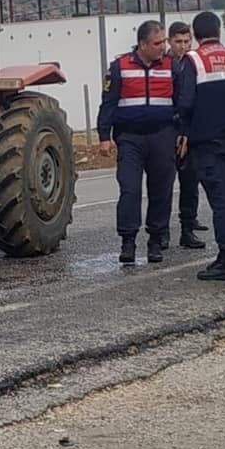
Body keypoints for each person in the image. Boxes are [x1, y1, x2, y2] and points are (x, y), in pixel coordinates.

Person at [176, 11, 225, 281]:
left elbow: (185, 102)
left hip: (208, 144)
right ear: (219, 31)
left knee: (221, 203)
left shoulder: (193, 60)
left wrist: (183, 130)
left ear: (195, 35)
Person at [98, 20, 178, 265]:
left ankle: (156, 241)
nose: (162, 47)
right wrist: (104, 137)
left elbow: (183, 102)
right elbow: (108, 103)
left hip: (162, 136)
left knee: (161, 191)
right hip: (130, 138)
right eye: (157, 43)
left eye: (163, 41)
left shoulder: (171, 66)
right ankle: (128, 242)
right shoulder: (119, 66)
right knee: (130, 190)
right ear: (142, 44)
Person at [165, 21, 207, 250]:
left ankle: (188, 227)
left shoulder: (194, 63)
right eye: (178, 41)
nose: (182, 46)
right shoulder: (163, 64)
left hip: (189, 130)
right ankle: (161, 231)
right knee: (163, 184)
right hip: (167, 128)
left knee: (190, 182)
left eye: (186, 41)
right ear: (170, 41)